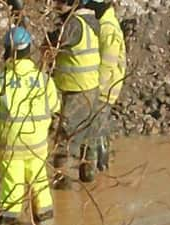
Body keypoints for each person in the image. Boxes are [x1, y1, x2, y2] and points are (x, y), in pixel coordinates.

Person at [0, 26, 61, 225]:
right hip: (38, 145)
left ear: (7, 51)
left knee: (12, 185)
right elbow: (56, 110)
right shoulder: (44, 80)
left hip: (10, 146)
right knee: (39, 181)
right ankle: (45, 221)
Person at [48, 0, 101, 188]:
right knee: (88, 134)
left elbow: (52, 43)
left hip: (74, 89)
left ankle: (60, 181)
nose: (56, 5)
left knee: (64, 136)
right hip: (91, 87)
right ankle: (88, 176)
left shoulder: (73, 25)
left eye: (60, 2)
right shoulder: (92, 22)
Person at [88, 0, 127, 171]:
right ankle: (102, 165)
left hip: (107, 86)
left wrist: (96, 87)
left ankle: (101, 166)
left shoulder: (108, 28)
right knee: (99, 127)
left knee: (97, 128)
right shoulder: (105, 23)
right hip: (109, 84)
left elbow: (107, 64)